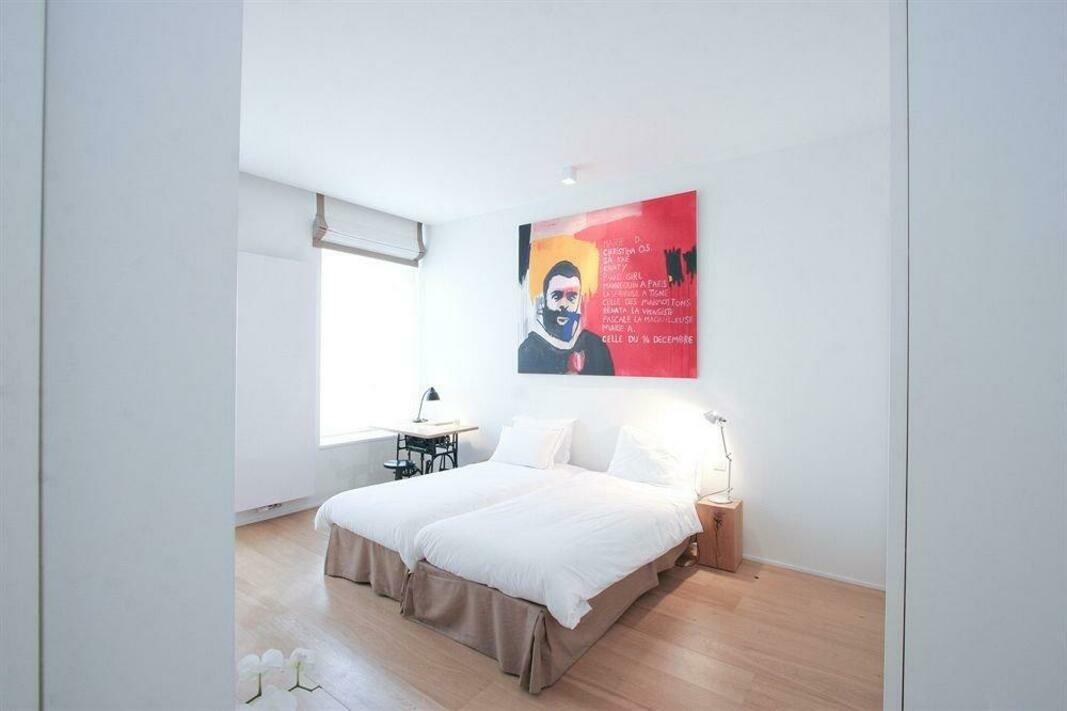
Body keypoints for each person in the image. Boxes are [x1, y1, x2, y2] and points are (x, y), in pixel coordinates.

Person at [518, 260, 614, 375]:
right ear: (544, 301)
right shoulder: (528, 351)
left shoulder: (596, 347)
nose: (564, 304)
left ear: (579, 301)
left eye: (571, 297)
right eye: (556, 296)